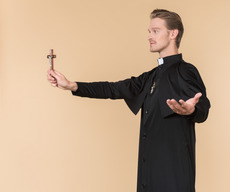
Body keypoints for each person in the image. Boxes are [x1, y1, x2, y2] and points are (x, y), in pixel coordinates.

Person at [47, 9, 210, 192]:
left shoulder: (185, 71)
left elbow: (203, 106)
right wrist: (72, 85)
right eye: (149, 31)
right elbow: (113, 88)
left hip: (173, 175)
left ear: (173, 33)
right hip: (149, 174)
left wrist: (192, 110)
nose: (149, 36)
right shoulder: (151, 77)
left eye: (155, 31)